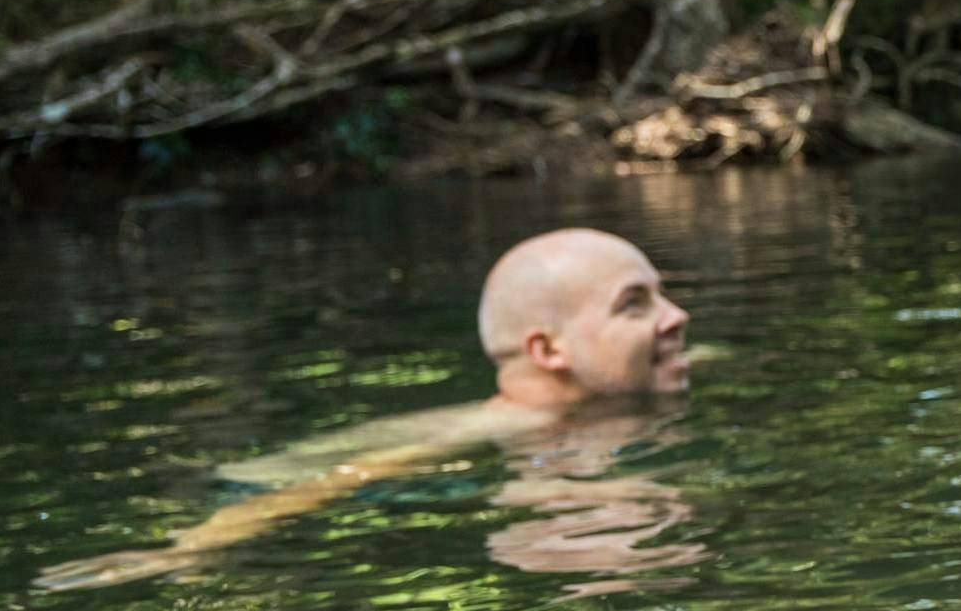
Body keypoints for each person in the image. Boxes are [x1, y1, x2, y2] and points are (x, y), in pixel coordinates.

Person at [37, 227, 692, 589]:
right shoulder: (496, 428)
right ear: (547, 349)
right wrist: (183, 551)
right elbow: (335, 480)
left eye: (663, 295)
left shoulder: (618, 392)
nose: (677, 317)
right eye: (635, 304)